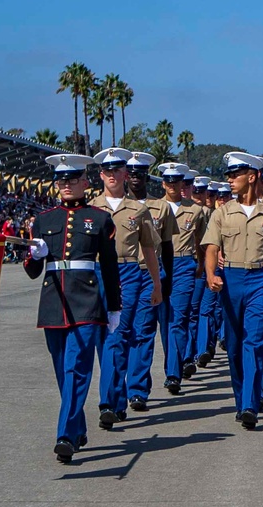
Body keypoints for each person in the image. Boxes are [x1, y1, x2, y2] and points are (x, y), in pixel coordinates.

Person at [23, 154, 121, 464]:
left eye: (71, 179)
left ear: (84, 182)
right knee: (62, 372)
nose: (65, 184)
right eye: (60, 180)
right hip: (54, 301)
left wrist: (114, 307)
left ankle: (64, 434)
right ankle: (77, 429)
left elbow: (109, 266)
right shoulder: (43, 220)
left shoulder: (100, 218)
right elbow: (31, 270)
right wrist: (36, 254)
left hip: (87, 301)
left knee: (76, 368)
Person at [200, 152, 263, 430]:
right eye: (228, 175)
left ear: (251, 177)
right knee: (235, 344)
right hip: (232, 279)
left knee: (255, 341)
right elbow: (212, 248)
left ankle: (250, 403)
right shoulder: (222, 212)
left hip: (261, 278)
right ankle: (242, 399)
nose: (229, 180)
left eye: (234, 175)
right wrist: (211, 274)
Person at [90, 147, 163, 429]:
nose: (112, 175)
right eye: (106, 171)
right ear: (100, 175)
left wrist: (156, 283)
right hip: (95, 273)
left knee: (118, 335)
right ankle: (117, 398)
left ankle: (109, 402)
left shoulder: (139, 209)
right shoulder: (91, 206)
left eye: (116, 171)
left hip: (128, 271)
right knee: (102, 339)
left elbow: (149, 248)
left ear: (124, 174)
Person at [124, 152, 177, 410]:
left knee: (143, 332)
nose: (135, 177)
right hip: (120, 275)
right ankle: (114, 391)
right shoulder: (111, 207)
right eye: (130, 173)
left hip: (148, 273)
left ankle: (137, 390)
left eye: (139, 173)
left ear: (147, 175)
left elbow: (167, 247)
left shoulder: (161, 207)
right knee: (119, 333)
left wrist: (165, 280)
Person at [154, 162, 207, 395]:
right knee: (163, 320)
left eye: (178, 181)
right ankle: (172, 364)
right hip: (157, 265)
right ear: (163, 183)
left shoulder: (195, 210)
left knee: (179, 317)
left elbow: (203, 242)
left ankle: (173, 373)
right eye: (169, 181)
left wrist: (202, 265)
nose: (173, 185)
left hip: (184, 264)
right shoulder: (152, 209)